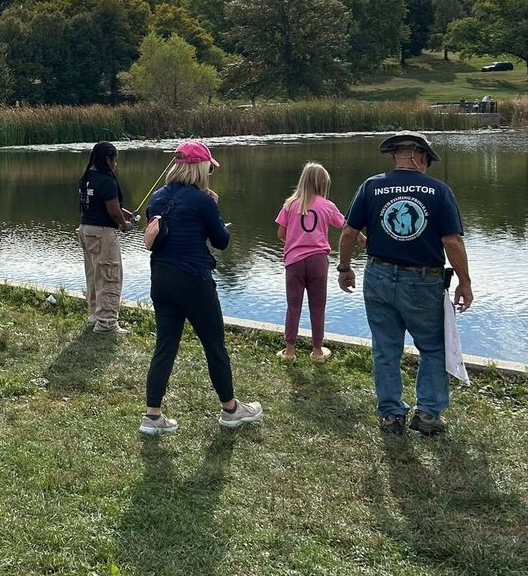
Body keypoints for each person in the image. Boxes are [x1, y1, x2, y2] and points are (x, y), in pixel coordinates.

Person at [337, 131, 473, 436]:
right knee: (433, 347)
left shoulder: (371, 186)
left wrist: (344, 268)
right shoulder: (439, 191)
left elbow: (347, 233)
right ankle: (427, 414)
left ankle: (391, 415)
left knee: (385, 348)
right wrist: (465, 283)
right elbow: (451, 240)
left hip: (378, 275)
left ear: (393, 155)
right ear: (421, 156)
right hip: (422, 281)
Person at [139, 140, 263, 436]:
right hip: (194, 280)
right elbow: (221, 241)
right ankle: (231, 410)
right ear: (199, 167)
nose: (211, 170)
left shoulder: (157, 198)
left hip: (162, 279)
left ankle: (152, 415)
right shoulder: (203, 201)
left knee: (165, 345)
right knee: (214, 345)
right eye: (210, 166)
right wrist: (215, 210)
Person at [274, 162, 347, 362]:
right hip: (318, 261)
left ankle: (289, 351)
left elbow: (281, 233)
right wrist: (364, 240)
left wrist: (296, 240)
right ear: (323, 184)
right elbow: (346, 227)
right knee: (317, 306)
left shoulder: (289, 204)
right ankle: (317, 352)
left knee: (293, 306)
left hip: (294, 262)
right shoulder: (327, 206)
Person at [76, 141, 133, 335]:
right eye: (114, 160)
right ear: (107, 159)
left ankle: (95, 317)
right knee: (109, 276)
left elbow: (104, 204)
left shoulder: (87, 178)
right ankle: (107, 323)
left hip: (85, 230)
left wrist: (124, 213)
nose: (115, 164)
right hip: (102, 234)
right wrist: (125, 225)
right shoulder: (106, 180)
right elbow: (112, 211)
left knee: (94, 276)